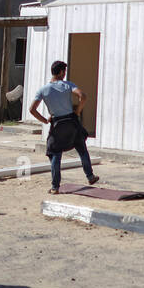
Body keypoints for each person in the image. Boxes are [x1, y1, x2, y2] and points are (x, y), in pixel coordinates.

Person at [28, 61, 99, 194]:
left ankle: (55, 187)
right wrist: (77, 111)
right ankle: (90, 176)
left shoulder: (43, 90)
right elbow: (83, 96)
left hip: (57, 123)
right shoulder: (68, 85)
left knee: (55, 153)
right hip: (71, 121)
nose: (65, 74)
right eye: (64, 71)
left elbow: (32, 109)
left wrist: (44, 120)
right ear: (61, 72)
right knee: (81, 148)